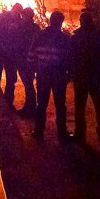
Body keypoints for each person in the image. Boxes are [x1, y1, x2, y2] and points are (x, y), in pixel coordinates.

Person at [30, 10, 72, 142]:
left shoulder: (39, 36)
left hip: (43, 75)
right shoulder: (64, 38)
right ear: (60, 22)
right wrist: (68, 74)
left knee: (41, 104)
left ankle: (38, 131)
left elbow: (31, 56)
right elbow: (69, 59)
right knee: (60, 105)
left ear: (50, 21)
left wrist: (36, 70)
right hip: (59, 76)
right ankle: (62, 133)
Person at [70, 9, 100, 145]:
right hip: (97, 76)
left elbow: (71, 57)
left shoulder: (76, 37)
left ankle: (80, 133)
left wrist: (72, 72)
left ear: (81, 22)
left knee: (80, 107)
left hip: (81, 77)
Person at [15, 6, 41, 118]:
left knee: (28, 84)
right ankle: (29, 107)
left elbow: (20, 43)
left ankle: (31, 108)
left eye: (23, 15)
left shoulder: (24, 28)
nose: (22, 17)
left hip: (26, 60)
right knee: (28, 84)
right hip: (29, 59)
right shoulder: (35, 28)